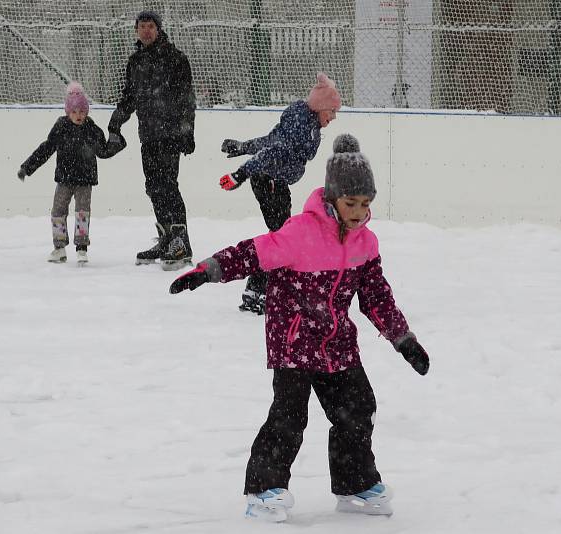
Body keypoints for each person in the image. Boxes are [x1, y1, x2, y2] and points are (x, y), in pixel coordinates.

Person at [170, 134, 431, 522]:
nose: (359, 213)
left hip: (337, 342)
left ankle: (355, 484)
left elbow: (376, 296)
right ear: (332, 198)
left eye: (365, 204)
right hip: (292, 339)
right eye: (351, 203)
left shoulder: (366, 244)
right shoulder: (300, 232)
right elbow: (252, 253)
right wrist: (209, 270)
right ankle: (264, 490)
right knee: (289, 415)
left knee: (357, 407)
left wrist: (403, 339)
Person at [218, 72, 342, 315]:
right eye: (332, 111)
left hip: (277, 181)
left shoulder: (306, 122)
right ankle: (260, 290)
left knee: (282, 236)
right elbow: (273, 151)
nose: (334, 117)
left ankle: (259, 289)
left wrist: (244, 146)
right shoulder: (300, 125)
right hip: (269, 181)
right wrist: (241, 174)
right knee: (281, 238)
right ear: (320, 107)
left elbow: (269, 140)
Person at [107, 10, 196, 271]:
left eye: (151, 26)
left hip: (170, 135)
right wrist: (115, 123)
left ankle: (181, 243)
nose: (146, 30)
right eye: (142, 26)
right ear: (136, 31)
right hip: (148, 135)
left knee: (168, 187)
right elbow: (129, 97)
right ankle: (166, 238)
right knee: (154, 188)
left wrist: (186, 131)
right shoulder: (136, 61)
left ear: (159, 29)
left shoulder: (175, 58)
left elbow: (186, 99)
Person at [18, 82, 124, 264]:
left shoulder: (92, 129)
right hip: (64, 179)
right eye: (74, 111)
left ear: (87, 112)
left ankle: (82, 248)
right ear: (68, 111)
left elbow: (103, 151)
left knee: (82, 213)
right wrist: (27, 167)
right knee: (58, 212)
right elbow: (46, 148)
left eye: (82, 111)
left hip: (85, 180)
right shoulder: (61, 127)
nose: (78, 115)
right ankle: (59, 248)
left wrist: (116, 141)